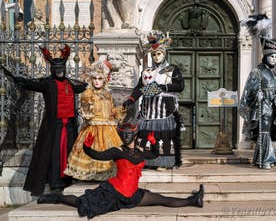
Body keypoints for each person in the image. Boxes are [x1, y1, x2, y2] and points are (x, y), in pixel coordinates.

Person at [36, 117, 204, 219]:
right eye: (123, 133)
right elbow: (98, 155)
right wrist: (87, 148)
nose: (126, 136)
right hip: (114, 193)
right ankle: (55, 198)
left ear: (135, 135)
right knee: (81, 202)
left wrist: (153, 142)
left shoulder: (140, 152)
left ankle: (193, 201)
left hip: (132, 195)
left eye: (129, 133)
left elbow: (154, 155)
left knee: (162, 199)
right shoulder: (117, 151)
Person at [13, 45, 87, 196]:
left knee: (68, 152)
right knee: (55, 153)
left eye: (61, 68)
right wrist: (23, 81)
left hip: (70, 126)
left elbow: (83, 87)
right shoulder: (48, 83)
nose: (59, 71)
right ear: (52, 69)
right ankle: (56, 182)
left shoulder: (70, 83)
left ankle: (68, 179)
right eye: (56, 68)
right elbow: (35, 85)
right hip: (55, 126)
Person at [123, 31, 184, 170]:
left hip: (165, 110)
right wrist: (131, 100)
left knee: (163, 137)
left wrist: (163, 87)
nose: (156, 57)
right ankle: (147, 161)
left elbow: (180, 86)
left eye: (159, 54)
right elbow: (139, 88)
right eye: (154, 54)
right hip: (148, 110)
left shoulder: (172, 69)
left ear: (164, 54)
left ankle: (164, 162)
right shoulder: (146, 71)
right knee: (146, 137)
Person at [64, 59, 126, 181]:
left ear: (104, 80)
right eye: (94, 79)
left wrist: (120, 110)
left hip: (108, 129)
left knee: (108, 152)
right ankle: (92, 176)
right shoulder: (88, 94)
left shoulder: (107, 94)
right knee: (92, 151)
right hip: (93, 128)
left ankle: (105, 175)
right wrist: (89, 107)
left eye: (100, 79)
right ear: (91, 80)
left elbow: (111, 110)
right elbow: (85, 110)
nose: (97, 81)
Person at [239, 15, 276, 170]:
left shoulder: (273, 74)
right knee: (263, 133)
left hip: (273, 108)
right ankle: (265, 159)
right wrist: (255, 97)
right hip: (262, 108)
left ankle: (264, 157)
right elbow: (248, 92)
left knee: (269, 134)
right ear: (265, 56)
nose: (274, 59)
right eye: (271, 56)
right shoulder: (257, 72)